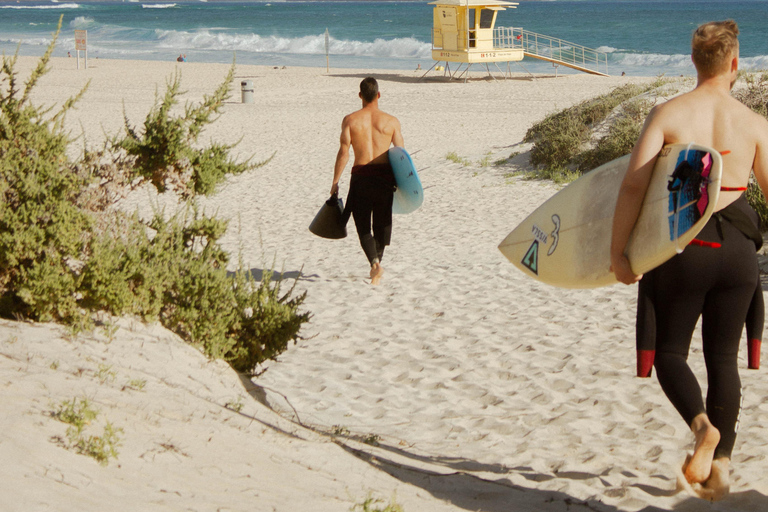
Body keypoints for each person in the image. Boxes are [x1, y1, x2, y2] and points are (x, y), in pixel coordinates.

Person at [610, 20, 768, 501]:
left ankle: (703, 429)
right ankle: (719, 466)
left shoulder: (668, 113)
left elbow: (635, 185)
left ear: (694, 62)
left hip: (686, 249)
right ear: (736, 63)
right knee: (723, 359)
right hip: (739, 253)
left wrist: (621, 252)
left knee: (672, 354)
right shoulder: (755, 123)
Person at [331, 77, 404, 285]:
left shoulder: (350, 120)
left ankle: (374, 264)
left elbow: (344, 153)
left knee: (363, 226)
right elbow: (401, 155)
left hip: (361, 178)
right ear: (379, 95)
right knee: (381, 225)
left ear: (360, 96)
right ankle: (377, 265)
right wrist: (405, 184)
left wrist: (335, 182)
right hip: (384, 178)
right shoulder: (391, 121)